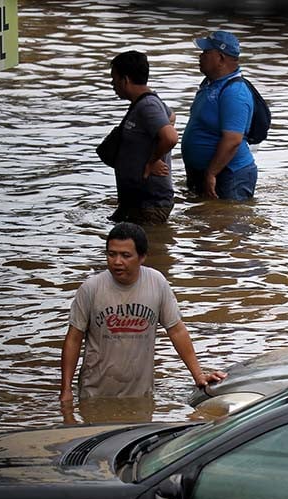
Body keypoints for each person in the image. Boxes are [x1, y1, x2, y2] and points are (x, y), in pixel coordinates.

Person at [59, 222, 226, 402]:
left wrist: (198, 375)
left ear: (142, 257)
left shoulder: (157, 283)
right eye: (111, 254)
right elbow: (73, 339)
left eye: (125, 255)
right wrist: (66, 389)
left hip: (141, 394)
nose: (117, 262)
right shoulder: (91, 288)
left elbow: (176, 331)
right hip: (94, 393)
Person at [181, 30, 257, 201]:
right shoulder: (210, 84)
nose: (200, 56)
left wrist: (211, 174)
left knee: (227, 224)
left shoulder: (235, 92)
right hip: (208, 173)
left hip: (230, 176)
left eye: (206, 52)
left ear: (221, 58)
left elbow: (233, 140)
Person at [108, 50, 177, 224]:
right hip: (136, 199)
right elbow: (171, 116)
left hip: (150, 202)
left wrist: (153, 161)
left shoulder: (148, 105)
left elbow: (170, 137)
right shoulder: (147, 102)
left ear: (125, 80)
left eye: (114, 78)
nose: (112, 84)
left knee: (148, 249)